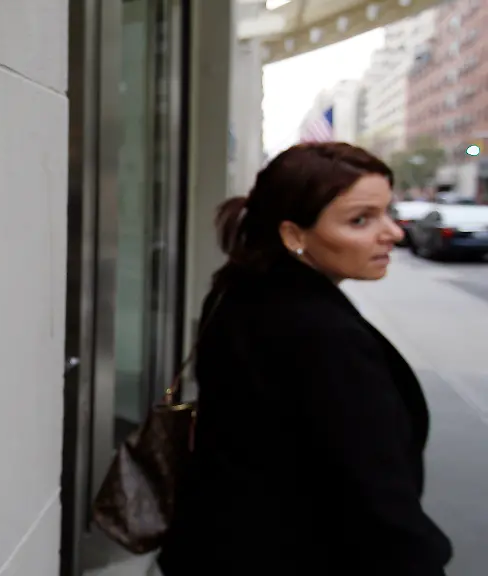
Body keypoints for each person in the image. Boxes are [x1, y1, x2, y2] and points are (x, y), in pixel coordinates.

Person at [156, 142, 453, 575]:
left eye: (387, 212)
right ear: (294, 235)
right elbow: (375, 496)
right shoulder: (321, 335)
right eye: (360, 220)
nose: (393, 233)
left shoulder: (243, 291)